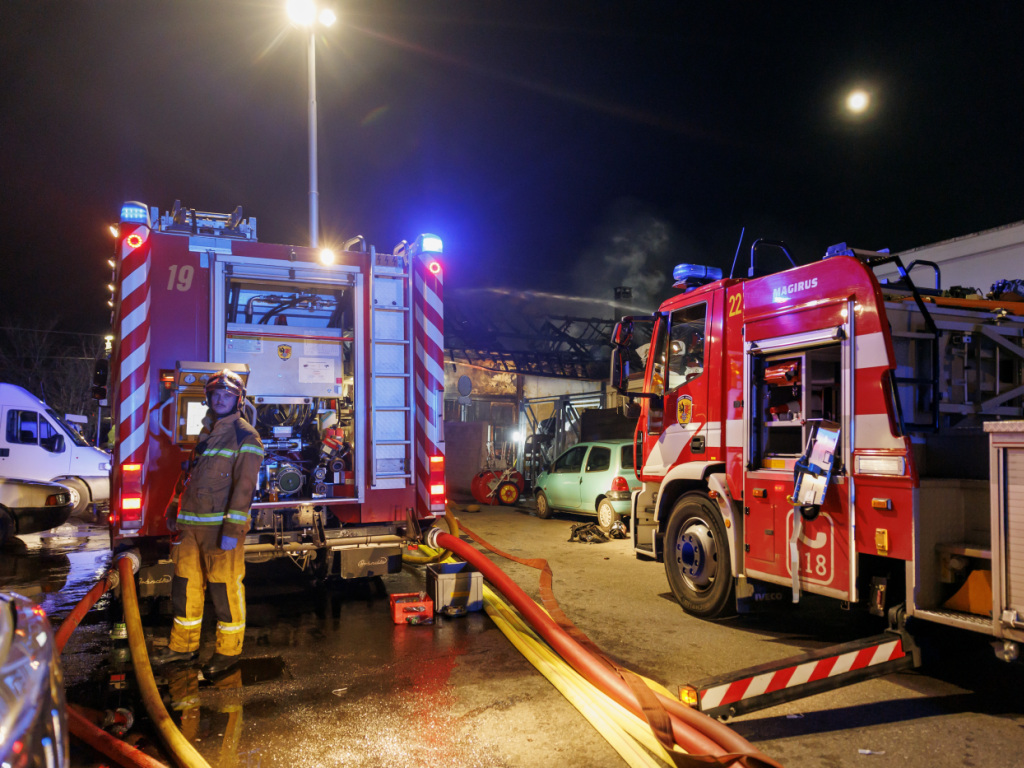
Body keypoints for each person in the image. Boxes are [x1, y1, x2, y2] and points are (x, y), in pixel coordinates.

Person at [152, 369, 264, 678]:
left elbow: (244, 488)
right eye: (215, 395)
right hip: (189, 530)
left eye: (227, 395)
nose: (220, 400)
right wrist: (173, 508)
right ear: (208, 398)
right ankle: (183, 647)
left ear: (238, 400)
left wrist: (232, 530)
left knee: (224, 590)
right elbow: (187, 477)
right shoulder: (205, 434)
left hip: (218, 532)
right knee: (185, 587)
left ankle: (228, 651)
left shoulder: (246, 436)